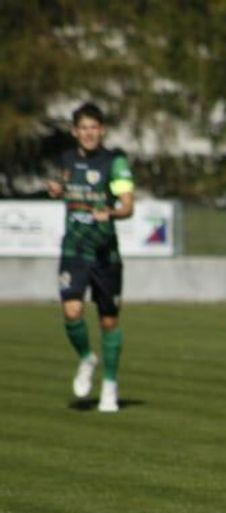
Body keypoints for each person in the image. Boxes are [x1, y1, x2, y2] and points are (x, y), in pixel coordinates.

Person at [46, 102, 135, 413]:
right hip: (74, 249)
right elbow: (60, 184)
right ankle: (86, 357)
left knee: (109, 321)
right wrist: (56, 188)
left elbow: (127, 205)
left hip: (105, 253)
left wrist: (110, 211)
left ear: (102, 130)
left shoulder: (115, 163)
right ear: (75, 132)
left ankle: (110, 385)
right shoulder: (66, 161)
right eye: (83, 128)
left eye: (94, 128)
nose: (89, 133)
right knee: (71, 311)